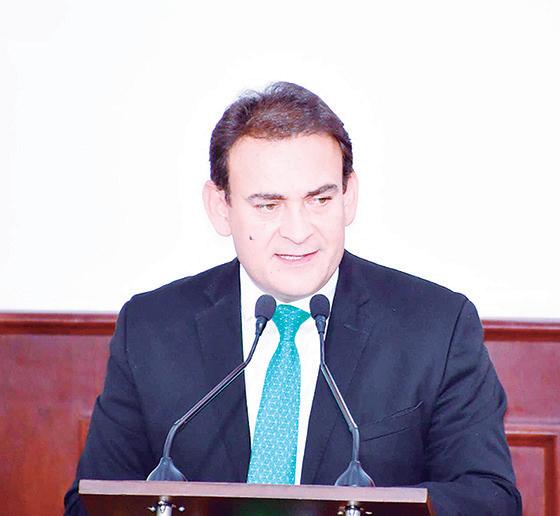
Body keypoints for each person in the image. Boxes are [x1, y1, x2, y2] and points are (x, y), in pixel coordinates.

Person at [65, 82, 521, 515]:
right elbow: (90, 503)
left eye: (319, 200)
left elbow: (489, 497)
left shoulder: (435, 327)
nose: (299, 231)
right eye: (269, 205)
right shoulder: (152, 328)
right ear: (221, 207)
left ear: (349, 196)